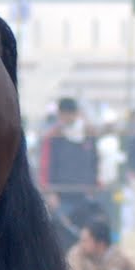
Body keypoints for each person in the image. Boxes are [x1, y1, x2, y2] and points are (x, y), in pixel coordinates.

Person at [38, 96, 99, 226]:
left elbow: (95, 162)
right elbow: (46, 166)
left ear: (76, 113)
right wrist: (50, 192)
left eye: (70, 114)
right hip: (61, 196)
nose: (66, 117)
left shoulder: (89, 134)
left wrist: (94, 186)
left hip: (85, 195)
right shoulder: (53, 137)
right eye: (63, 114)